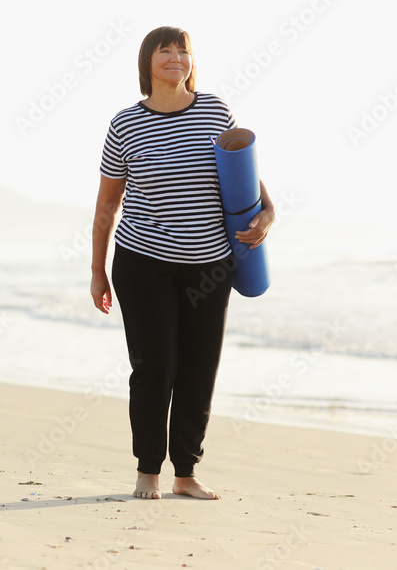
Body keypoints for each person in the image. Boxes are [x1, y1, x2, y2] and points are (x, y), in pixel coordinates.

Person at [90, 26, 274, 500]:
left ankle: (186, 472)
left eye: (183, 50)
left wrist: (268, 216)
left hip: (209, 265)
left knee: (199, 368)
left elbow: (246, 177)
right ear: (147, 61)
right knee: (156, 366)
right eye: (164, 50)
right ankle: (147, 469)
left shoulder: (215, 110)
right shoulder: (125, 125)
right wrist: (97, 270)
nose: (175, 58)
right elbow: (108, 204)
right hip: (143, 262)